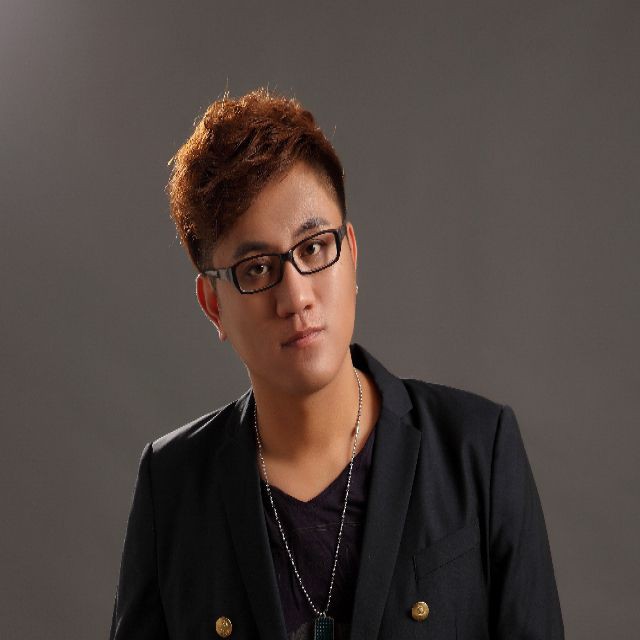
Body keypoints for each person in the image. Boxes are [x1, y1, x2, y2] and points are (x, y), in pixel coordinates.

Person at [109, 89, 564, 640]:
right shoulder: (172, 485)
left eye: (313, 248)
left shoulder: (477, 449)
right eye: (257, 269)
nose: (296, 297)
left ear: (351, 253)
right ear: (214, 306)